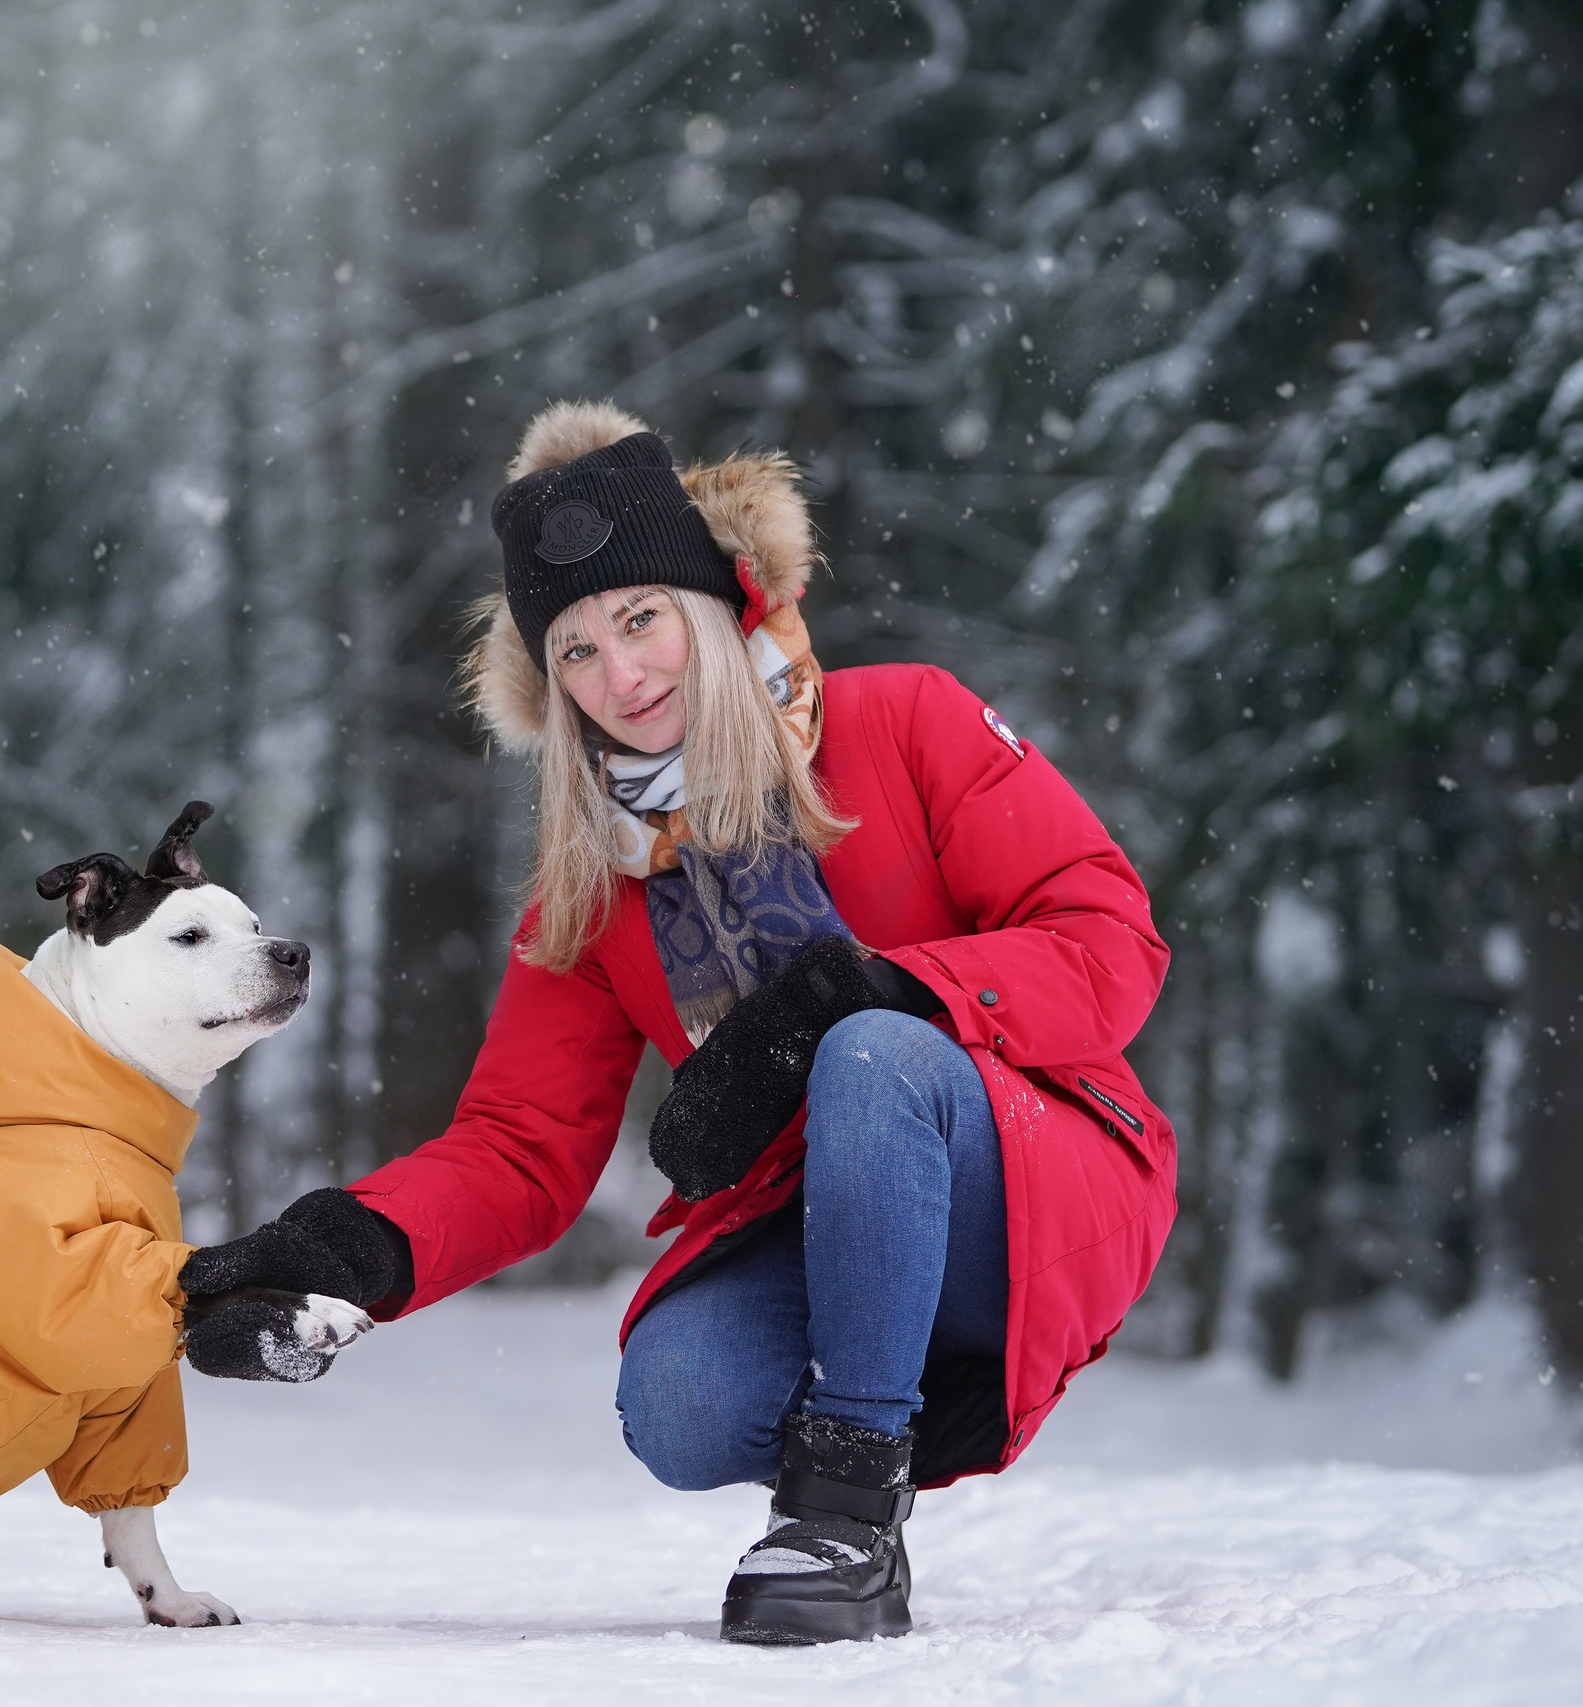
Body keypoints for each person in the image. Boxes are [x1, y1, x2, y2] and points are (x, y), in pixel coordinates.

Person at [176, 401, 1175, 1646]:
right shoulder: (594, 882)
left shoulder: (906, 719)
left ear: (708, 606)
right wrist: (341, 1257)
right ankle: (856, 1430)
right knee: (681, 1399)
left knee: (868, 1053)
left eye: (640, 619)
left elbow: (1108, 940)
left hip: (1033, 1175)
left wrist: (876, 990)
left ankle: (846, 1513)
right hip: (819, 1220)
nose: (621, 675)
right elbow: (519, 1146)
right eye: (578, 651)